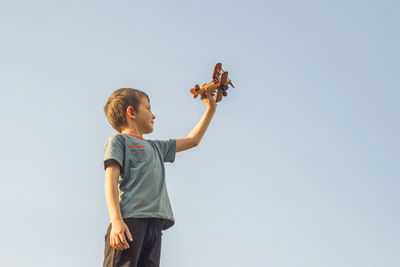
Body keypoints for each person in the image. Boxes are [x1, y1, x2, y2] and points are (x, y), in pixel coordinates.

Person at [102, 87, 217, 267]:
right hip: (131, 221)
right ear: (131, 112)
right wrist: (116, 221)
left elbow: (193, 140)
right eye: (148, 108)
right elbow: (111, 179)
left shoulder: (157, 147)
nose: (153, 115)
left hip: (154, 225)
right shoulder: (119, 141)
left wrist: (210, 109)